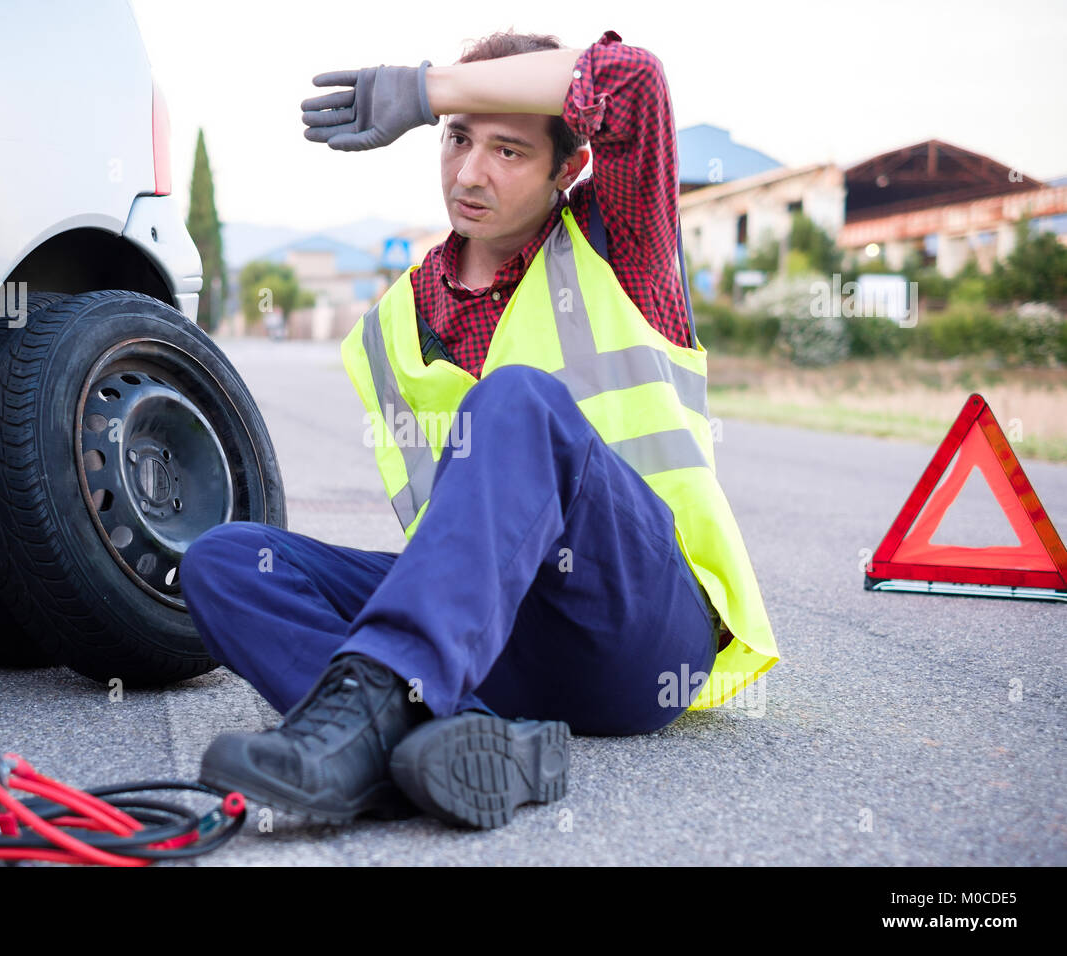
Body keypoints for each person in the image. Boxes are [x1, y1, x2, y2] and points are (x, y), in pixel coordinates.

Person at [179, 28, 779, 830]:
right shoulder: (395, 322)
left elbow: (632, 82)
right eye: (459, 136)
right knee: (224, 562)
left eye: (508, 150)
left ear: (569, 167)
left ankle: (371, 719)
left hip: (638, 629)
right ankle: (446, 746)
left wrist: (426, 89)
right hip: (490, 649)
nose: (469, 172)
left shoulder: (623, 249)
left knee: (515, 398)